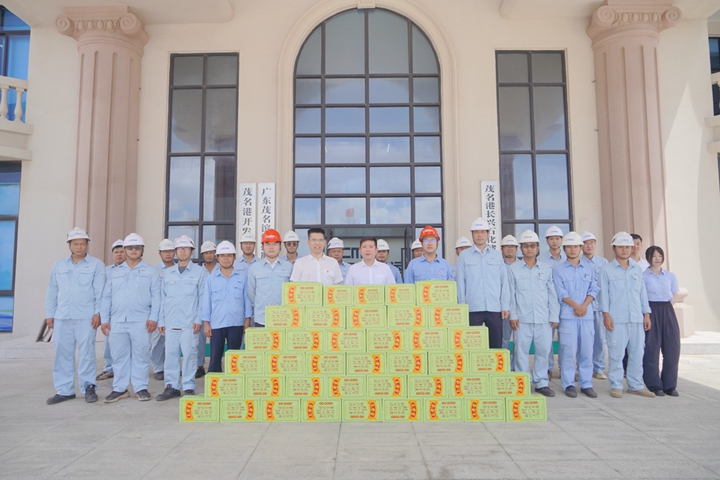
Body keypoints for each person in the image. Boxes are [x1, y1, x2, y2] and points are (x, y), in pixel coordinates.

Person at [45, 228, 106, 405]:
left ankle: (89, 387)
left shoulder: (96, 265)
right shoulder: (59, 265)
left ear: (87, 244)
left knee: (87, 353)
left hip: (86, 317)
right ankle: (64, 390)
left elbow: (100, 291)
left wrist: (98, 313)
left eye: (82, 243)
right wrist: (50, 314)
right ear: (69, 245)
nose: (79, 247)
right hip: (62, 316)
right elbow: (52, 290)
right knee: (62, 353)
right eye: (75, 244)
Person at [101, 233, 161, 403]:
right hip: (117, 321)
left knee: (141, 355)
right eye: (130, 248)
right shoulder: (115, 272)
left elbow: (157, 297)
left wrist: (153, 318)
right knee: (118, 355)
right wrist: (105, 319)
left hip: (141, 321)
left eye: (137, 248)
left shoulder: (151, 272)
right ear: (125, 250)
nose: (133, 250)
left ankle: (141, 387)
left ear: (142, 250)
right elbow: (106, 297)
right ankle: (119, 388)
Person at [599, 231, 655, 399]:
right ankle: (616, 385)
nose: (624, 250)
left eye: (627, 247)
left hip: (636, 318)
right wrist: (606, 315)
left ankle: (635, 385)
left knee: (637, 353)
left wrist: (646, 314)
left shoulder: (637, 269)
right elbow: (603, 295)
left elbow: (642, 293)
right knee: (616, 354)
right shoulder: (606, 270)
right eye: (620, 247)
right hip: (617, 319)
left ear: (632, 248)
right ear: (613, 248)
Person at [508, 230, 558, 397]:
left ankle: (541, 382)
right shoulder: (513, 269)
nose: (529, 249)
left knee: (543, 350)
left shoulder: (546, 269)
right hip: (522, 319)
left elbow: (552, 294)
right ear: (521, 248)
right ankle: (523, 383)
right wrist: (513, 315)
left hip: (543, 318)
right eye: (526, 246)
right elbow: (511, 294)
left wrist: (554, 315)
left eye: (532, 246)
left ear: (538, 247)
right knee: (521, 352)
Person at [156, 236, 207, 400]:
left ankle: (189, 386)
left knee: (190, 356)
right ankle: (171, 386)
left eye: (186, 248)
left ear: (192, 251)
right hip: (170, 322)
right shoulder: (168, 273)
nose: (182, 251)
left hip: (189, 323)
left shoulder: (200, 272)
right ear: (176, 251)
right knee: (170, 356)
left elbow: (202, 298)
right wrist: (161, 320)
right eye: (179, 248)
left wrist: (198, 319)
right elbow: (162, 298)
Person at [553, 232, 600, 398]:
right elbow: (560, 292)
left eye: (576, 246)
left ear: (581, 248)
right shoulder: (557, 270)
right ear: (564, 249)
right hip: (568, 316)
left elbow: (594, 289)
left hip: (586, 316)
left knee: (587, 351)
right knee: (568, 351)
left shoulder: (589, 269)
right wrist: (576, 306)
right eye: (569, 247)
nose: (572, 250)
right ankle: (569, 384)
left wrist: (583, 307)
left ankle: (586, 384)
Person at [455, 218, 509, 349]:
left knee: (496, 345)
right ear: (472, 234)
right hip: (472, 307)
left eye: (482, 232)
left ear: (488, 234)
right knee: (472, 345)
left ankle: (494, 364)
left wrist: (505, 306)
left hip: (494, 307)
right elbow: (460, 283)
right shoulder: (464, 256)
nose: (479, 235)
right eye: (476, 232)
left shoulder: (497, 256)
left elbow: (504, 282)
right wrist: (462, 306)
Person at [202, 241, 252, 372]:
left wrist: (247, 319)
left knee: (234, 359)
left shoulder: (242, 278)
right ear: (217, 258)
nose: (226, 258)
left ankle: (234, 382)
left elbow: (246, 300)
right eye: (222, 255)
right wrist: (206, 323)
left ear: (234, 257)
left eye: (229, 255)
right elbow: (206, 302)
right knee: (215, 359)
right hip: (217, 324)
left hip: (236, 323)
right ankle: (215, 383)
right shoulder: (211, 279)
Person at [642, 246, 681, 397]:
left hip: (667, 310)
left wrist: (668, 309)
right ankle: (654, 385)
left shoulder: (670, 276)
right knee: (651, 349)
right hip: (651, 309)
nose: (657, 259)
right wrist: (646, 315)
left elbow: (674, 294)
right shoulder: (643, 276)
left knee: (672, 348)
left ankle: (670, 385)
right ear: (648, 258)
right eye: (654, 256)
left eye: (660, 255)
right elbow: (642, 296)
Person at [247, 229, 293, 327]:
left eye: (275, 244)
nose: (271, 247)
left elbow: (292, 292)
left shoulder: (288, 267)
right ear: (262, 246)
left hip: (283, 318)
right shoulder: (254, 268)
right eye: (267, 244)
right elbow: (251, 293)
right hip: (261, 318)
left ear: (280, 246)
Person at [581, 231, 609, 380]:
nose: (589, 246)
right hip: (582, 308)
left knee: (599, 338)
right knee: (583, 340)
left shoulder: (603, 262)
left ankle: (598, 368)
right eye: (586, 243)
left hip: (599, 307)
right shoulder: (577, 262)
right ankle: (583, 367)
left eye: (592, 243)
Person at [538, 225, 565, 380]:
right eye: (552, 238)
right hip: (547, 305)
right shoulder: (540, 260)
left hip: (566, 305)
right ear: (547, 241)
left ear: (561, 240)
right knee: (547, 340)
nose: (555, 241)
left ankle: (564, 368)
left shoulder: (569, 258)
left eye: (557, 238)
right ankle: (548, 368)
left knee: (566, 340)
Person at [96, 239, 125, 382]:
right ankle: (109, 368)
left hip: (126, 312)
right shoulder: (106, 271)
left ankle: (126, 370)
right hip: (111, 312)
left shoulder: (133, 269)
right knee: (109, 343)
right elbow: (102, 293)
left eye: (121, 252)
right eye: (116, 252)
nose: (119, 254)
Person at [151, 239, 175, 381]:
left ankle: (170, 367)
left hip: (174, 310)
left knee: (172, 341)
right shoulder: (154, 270)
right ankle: (158, 367)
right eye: (165, 251)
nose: (168, 254)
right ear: (160, 253)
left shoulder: (179, 269)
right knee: (158, 340)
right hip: (159, 309)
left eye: (170, 251)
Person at [195, 240, 217, 379]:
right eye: (206, 253)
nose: (209, 255)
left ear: (215, 253)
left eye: (211, 252)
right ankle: (199, 365)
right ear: (202, 255)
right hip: (202, 309)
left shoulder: (221, 268)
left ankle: (216, 365)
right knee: (199, 339)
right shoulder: (198, 271)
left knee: (217, 339)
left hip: (218, 309)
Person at [500, 234, 519, 369]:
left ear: (517, 249)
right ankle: (506, 366)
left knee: (519, 340)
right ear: (502, 249)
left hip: (520, 308)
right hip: (504, 308)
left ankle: (517, 366)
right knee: (504, 338)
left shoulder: (522, 265)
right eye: (507, 246)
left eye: (512, 246)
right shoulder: (498, 265)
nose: (510, 249)